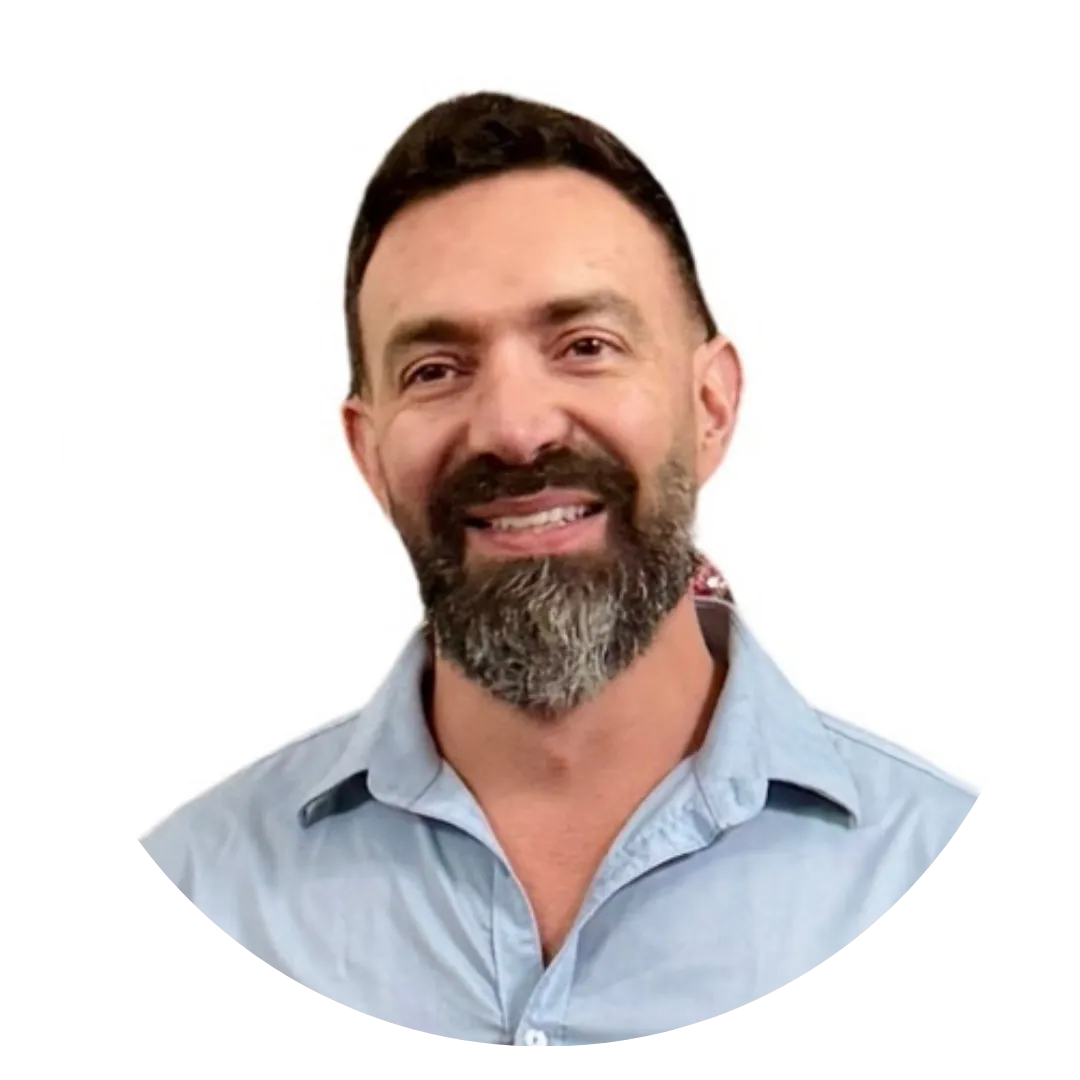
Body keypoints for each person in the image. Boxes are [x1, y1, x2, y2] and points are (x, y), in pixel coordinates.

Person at [140, 91, 979, 1046]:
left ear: (710, 407)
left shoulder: (916, 864)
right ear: (370, 453)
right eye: (435, 369)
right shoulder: (205, 890)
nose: (516, 427)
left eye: (586, 347)